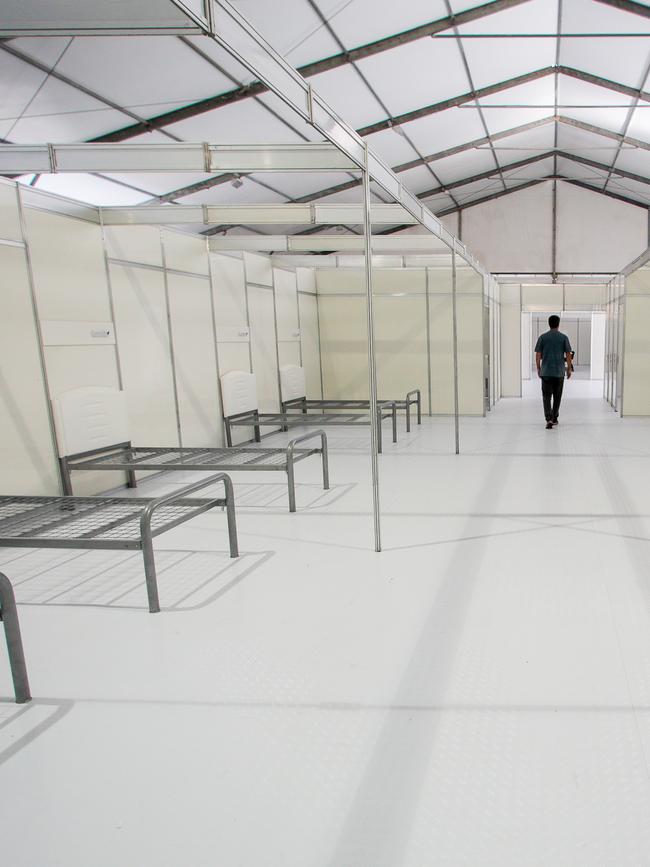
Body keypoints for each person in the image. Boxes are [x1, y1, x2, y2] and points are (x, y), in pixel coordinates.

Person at [534, 314, 572, 430]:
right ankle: (554, 417)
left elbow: (538, 354)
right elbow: (568, 353)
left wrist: (538, 368)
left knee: (546, 397)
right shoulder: (563, 337)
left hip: (546, 372)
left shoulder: (542, 337)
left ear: (549, 324)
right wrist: (569, 368)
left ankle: (548, 419)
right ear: (558, 324)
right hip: (559, 372)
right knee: (557, 396)